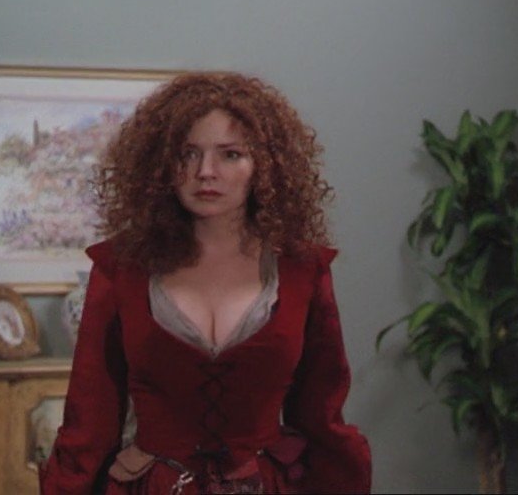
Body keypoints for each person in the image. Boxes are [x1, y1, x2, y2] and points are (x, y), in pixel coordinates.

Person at [40, 72, 372, 494]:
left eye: (230, 155)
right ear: (161, 165)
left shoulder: (303, 271)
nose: (205, 172)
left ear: (265, 166)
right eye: (187, 154)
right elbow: (88, 422)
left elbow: (321, 418)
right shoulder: (120, 269)